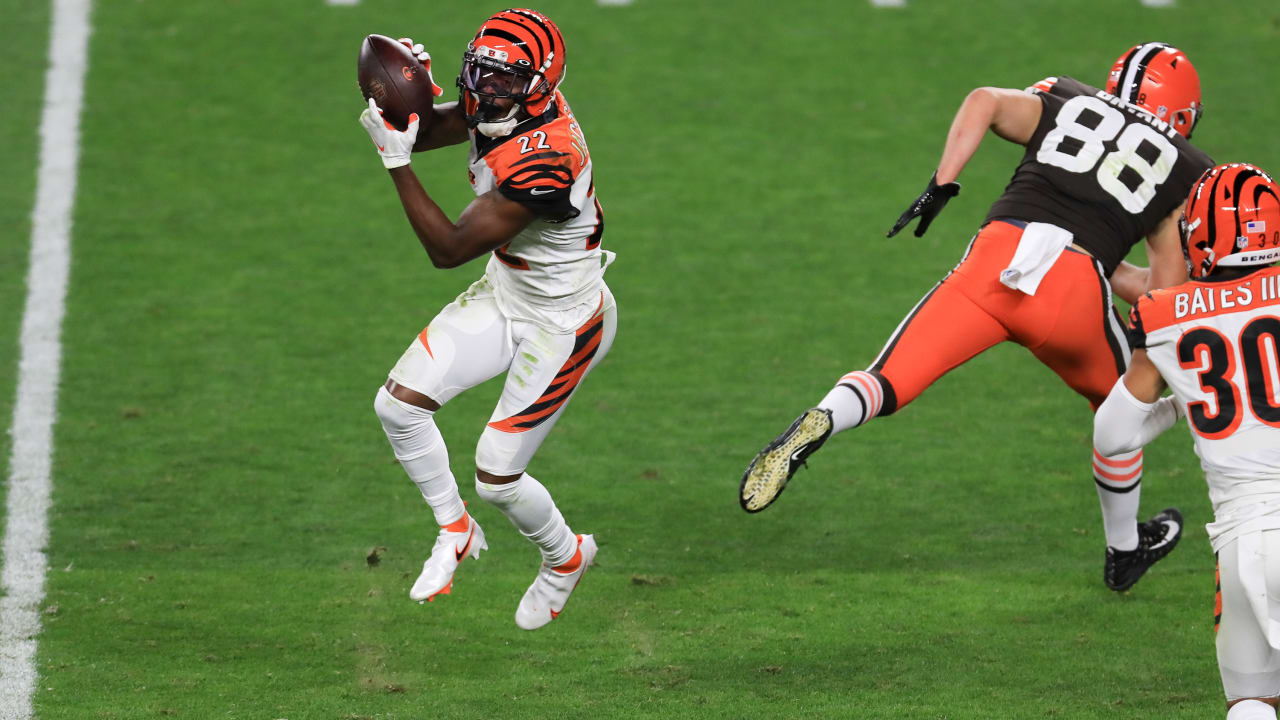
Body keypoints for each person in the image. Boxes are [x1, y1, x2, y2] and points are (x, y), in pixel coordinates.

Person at [740, 42, 1212, 592]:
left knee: (887, 378)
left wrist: (943, 180)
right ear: (1181, 113)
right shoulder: (1184, 169)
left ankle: (824, 417)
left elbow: (984, 100)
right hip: (1074, 290)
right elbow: (1164, 292)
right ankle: (1124, 549)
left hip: (996, 256)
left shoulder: (1066, 96)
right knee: (1122, 414)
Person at [358, 8, 616, 630]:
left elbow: (447, 249)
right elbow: (425, 131)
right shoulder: (501, 100)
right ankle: (455, 529)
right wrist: (403, 97)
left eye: (504, 78)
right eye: (481, 72)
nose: (486, 88)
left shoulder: (549, 156)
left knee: (498, 476)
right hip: (506, 292)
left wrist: (395, 163)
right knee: (397, 406)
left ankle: (565, 558)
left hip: (564, 320)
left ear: (540, 84)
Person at [1094, 162, 1280, 719]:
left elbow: (1114, 436)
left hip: (1246, 538)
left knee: (1251, 702)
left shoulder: (1164, 318)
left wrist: (1185, 401)